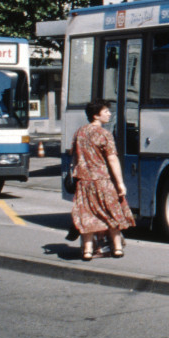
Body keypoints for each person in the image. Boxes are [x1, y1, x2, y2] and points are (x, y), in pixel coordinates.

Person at [70, 99, 134, 261]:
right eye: (106, 111)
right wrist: (120, 183)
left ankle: (87, 251)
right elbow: (112, 159)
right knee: (111, 213)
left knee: (87, 215)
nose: (109, 114)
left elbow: (74, 157)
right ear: (96, 115)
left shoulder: (80, 132)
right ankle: (117, 248)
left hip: (84, 181)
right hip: (102, 180)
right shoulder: (104, 134)